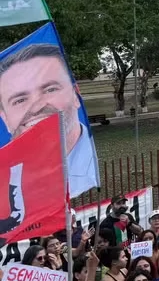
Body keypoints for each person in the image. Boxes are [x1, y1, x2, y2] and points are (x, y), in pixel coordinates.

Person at [0, 42, 97, 194]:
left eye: (50, 89)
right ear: (5, 118)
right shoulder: (5, 184)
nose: (37, 107)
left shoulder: (91, 170)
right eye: (19, 100)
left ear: (76, 95)